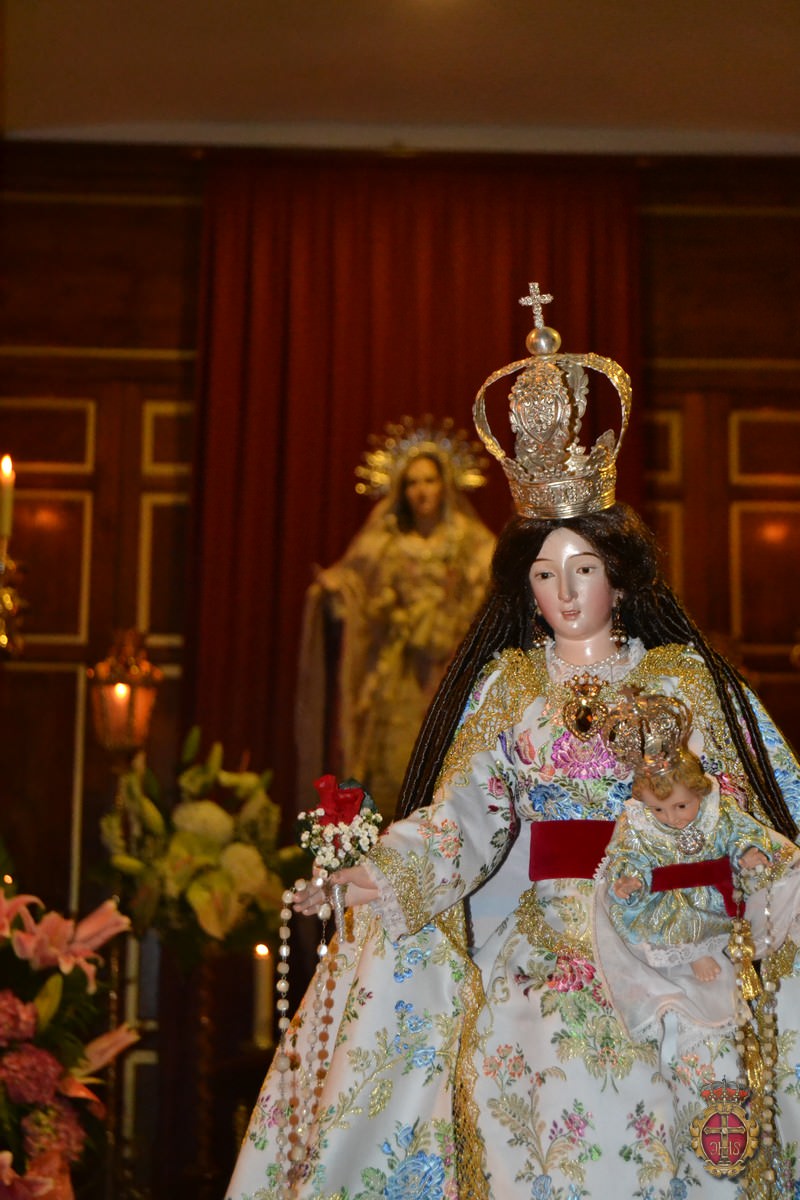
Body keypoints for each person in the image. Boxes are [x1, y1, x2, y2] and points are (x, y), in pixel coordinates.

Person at [228, 286, 800, 1200]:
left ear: (620, 576)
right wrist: (379, 872)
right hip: (540, 951)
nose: (565, 592)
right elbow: (463, 821)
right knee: (517, 1081)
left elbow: (752, 815)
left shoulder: (686, 682)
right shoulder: (508, 689)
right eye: (544, 573)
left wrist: (775, 883)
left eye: (584, 569)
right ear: (523, 589)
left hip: (669, 937)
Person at [295, 416, 496, 821]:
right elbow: (354, 585)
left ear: (445, 484)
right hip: (399, 677)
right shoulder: (386, 542)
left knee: (449, 767)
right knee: (396, 767)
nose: (422, 491)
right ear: (401, 490)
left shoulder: (471, 541)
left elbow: (493, 589)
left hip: (452, 672)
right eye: (412, 482)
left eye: (429, 481)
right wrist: (336, 594)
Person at [593, 690, 800, 1061]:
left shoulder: (716, 811)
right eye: (659, 809)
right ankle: (693, 958)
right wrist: (628, 879)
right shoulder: (637, 821)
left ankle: (708, 958)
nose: (671, 818)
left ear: (698, 792)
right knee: (674, 922)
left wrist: (748, 853)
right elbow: (627, 854)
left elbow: (740, 833)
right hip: (666, 900)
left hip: (712, 894)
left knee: (727, 924)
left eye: (680, 806)